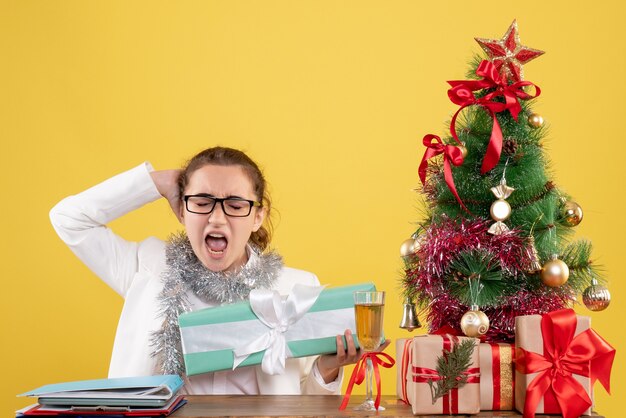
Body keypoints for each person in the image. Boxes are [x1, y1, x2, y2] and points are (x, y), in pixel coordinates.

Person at [50, 146, 383, 395]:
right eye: (202, 201)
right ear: (182, 208)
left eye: (235, 205)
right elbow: (69, 220)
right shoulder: (149, 268)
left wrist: (327, 369)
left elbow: (303, 408)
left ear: (257, 216)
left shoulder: (297, 289)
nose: (217, 218)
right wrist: (156, 182)